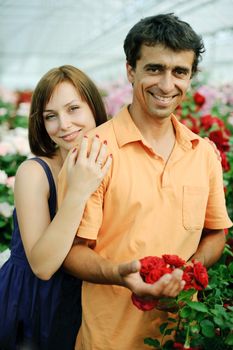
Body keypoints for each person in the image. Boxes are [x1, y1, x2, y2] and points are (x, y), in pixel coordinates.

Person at [58, 14, 232, 350]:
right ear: (130, 70)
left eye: (179, 72)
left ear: (191, 76)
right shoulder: (93, 151)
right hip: (110, 339)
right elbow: (73, 252)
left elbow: (216, 233)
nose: (167, 85)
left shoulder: (202, 152)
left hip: (183, 334)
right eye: (154, 69)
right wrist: (120, 274)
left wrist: (189, 270)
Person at [0, 65, 112, 350]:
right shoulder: (34, 173)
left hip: (84, 299)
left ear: (94, 109)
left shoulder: (111, 162)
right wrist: (78, 190)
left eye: (74, 108)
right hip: (32, 301)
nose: (63, 124)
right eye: (51, 116)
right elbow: (43, 266)